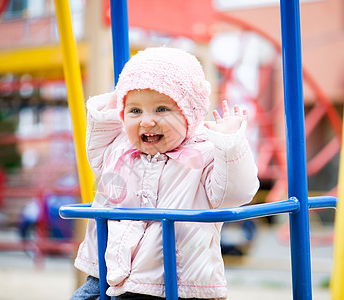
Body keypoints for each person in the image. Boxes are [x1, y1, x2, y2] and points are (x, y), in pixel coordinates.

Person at [71, 47, 259, 300]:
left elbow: (235, 193)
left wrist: (229, 145)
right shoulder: (119, 149)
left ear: (190, 113)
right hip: (106, 273)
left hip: (177, 283)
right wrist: (116, 100)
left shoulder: (204, 154)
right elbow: (98, 139)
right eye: (135, 111)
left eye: (161, 109)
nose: (146, 121)